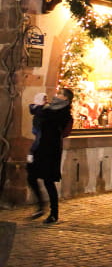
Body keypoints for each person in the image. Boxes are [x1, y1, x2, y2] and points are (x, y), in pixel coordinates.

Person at [26, 87, 73, 224]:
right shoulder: (50, 108)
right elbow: (34, 109)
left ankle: (54, 213)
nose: (56, 95)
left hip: (50, 150)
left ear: (65, 98)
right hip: (39, 147)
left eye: (59, 94)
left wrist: (40, 108)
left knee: (48, 181)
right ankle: (41, 205)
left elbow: (37, 110)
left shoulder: (62, 112)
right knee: (31, 175)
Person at [27, 92, 47, 164]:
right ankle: (31, 153)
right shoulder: (38, 108)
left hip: (40, 127)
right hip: (39, 128)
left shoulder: (38, 108)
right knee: (38, 140)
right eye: (44, 99)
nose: (46, 101)